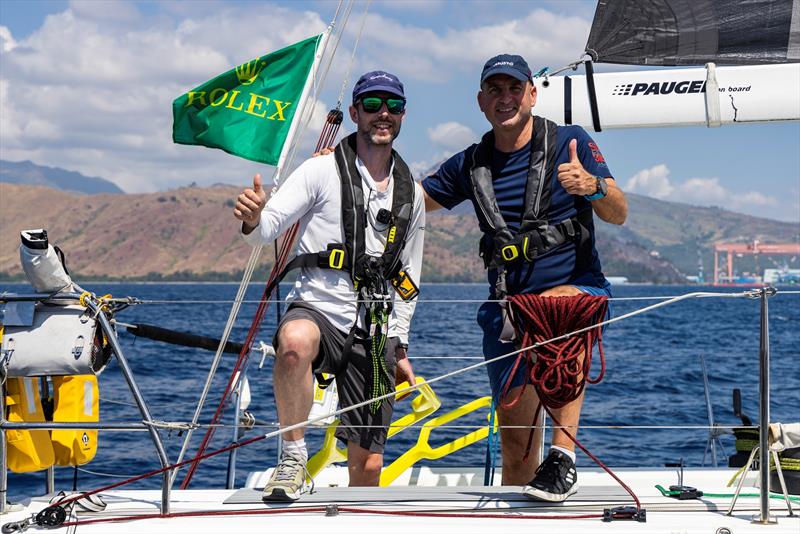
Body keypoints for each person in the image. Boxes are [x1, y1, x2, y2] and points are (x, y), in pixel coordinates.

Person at [421, 54, 628, 502]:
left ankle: (563, 458)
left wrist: (592, 186)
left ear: (532, 94)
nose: (505, 98)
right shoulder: (470, 163)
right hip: (510, 311)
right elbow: (409, 201)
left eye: (515, 88)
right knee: (516, 453)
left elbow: (619, 213)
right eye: (494, 90)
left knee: (556, 304)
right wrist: (340, 172)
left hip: (577, 293)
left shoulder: (570, 142)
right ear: (481, 102)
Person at [234, 70, 425, 501]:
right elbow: (268, 227)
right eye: (372, 105)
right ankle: (292, 458)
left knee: (369, 462)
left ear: (403, 116)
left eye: (393, 106)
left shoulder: (410, 191)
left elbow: (410, 275)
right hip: (318, 308)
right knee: (295, 342)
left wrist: (400, 344)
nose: (383, 114)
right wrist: (252, 216)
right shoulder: (320, 171)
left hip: (374, 326)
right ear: (355, 111)